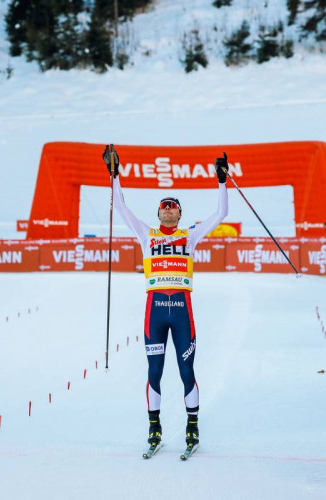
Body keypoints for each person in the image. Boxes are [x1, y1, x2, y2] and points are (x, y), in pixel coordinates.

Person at [103, 146, 229, 453]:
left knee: (187, 371)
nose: (168, 210)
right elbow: (120, 207)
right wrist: (115, 175)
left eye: (173, 207)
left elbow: (221, 214)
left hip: (182, 310)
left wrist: (222, 180)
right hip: (155, 311)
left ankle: (192, 428)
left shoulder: (191, 234)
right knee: (154, 372)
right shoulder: (146, 234)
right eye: (164, 207)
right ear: (158, 213)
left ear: (180, 214)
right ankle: (154, 428)